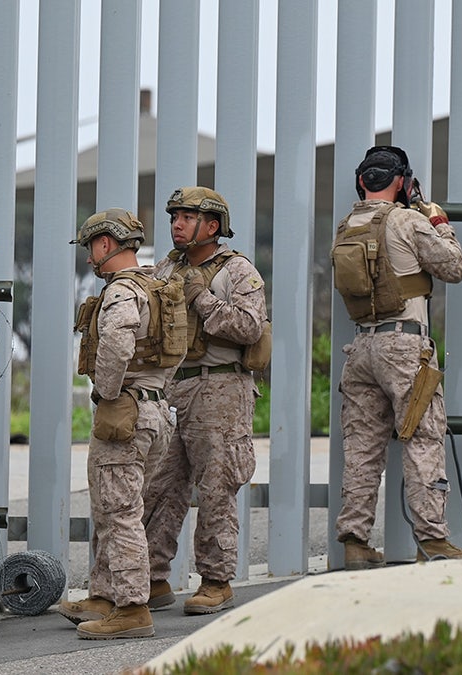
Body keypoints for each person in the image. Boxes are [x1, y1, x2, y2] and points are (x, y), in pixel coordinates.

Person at [331, 146, 462, 569]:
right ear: (403, 183)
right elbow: (454, 267)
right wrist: (440, 223)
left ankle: (355, 543)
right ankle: (432, 540)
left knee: (361, 449)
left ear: (361, 182)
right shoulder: (409, 221)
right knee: (423, 438)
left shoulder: (346, 226)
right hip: (404, 346)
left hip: (361, 349)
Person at [143, 187, 268, 614]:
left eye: (187, 217)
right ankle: (151, 579)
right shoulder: (168, 267)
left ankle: (216, 581)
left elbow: (251, 327)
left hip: (222, 391)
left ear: (212, 226)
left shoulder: (237, 270)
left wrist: (201, 297)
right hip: (175, 388)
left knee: (216, 487)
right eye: (174, 216)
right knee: (159, 487)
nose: (176, 224)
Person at [57, 208, 181, 639]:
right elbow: (173, 352)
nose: (90, 256)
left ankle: (131, 607)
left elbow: (115, 343)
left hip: (124, 412)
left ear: (106, 244)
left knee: (120, 512)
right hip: (155, 407)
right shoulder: (158, 288)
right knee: (118, 506)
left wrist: (109, 394)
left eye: (92, 246)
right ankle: (104, 594)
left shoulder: (122, 293)